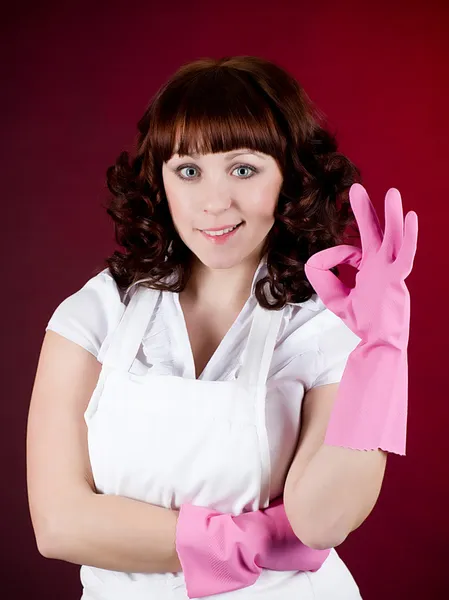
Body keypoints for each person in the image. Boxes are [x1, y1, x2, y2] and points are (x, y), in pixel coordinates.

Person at [26, 55, 418, 599]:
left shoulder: (321, 325)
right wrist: (249, 540)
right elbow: (59, 524)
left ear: (289, 177)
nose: (214, 203)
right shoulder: (96, 315)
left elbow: (323, 522)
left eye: (243, 169)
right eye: (188, 171)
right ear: (159, 182)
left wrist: (381, 352)